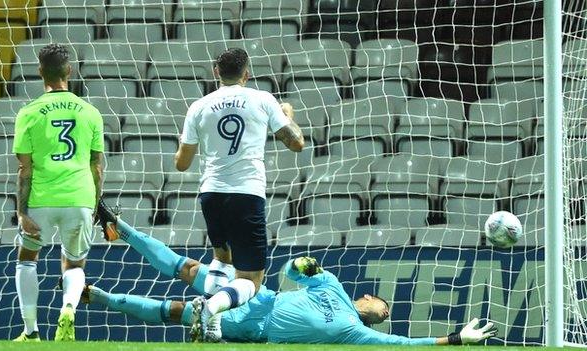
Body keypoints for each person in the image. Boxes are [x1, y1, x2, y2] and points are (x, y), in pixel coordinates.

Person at [90, 203, 497, 345]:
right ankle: (119, 227)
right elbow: (292, 271)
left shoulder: (355, 332)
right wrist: (302, 265)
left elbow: (405, 344)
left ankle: (97, 296)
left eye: (385, 312)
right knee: (189, 268)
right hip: (260, 297)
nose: (384, 310)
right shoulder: (333, 285)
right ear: (369, 297)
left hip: (256, 328)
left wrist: (455, 338)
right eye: (383, 303)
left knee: (176, 310)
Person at [172, 47, 305, 341]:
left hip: (211, 193)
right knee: (252, 280)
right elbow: (297, 143)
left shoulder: (199, 106)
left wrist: (181, 144)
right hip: (246, 194)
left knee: (222, 256)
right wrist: (287, 115)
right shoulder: (263, 99)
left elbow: (181, 164)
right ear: (247, 73)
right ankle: (209, 308)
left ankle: (213, 326)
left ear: (216, 72)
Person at [12, 43, 104, 342]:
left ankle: (31, 331)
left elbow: (24, 169)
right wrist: (95, 204)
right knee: (74, 262)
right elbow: (97, 166)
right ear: (69, 70)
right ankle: (67, 308)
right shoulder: (90, 112)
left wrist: (22, 211)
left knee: (27, 258)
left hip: (40, 199)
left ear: (40, 72)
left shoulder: (28, 112)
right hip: (79, 198)